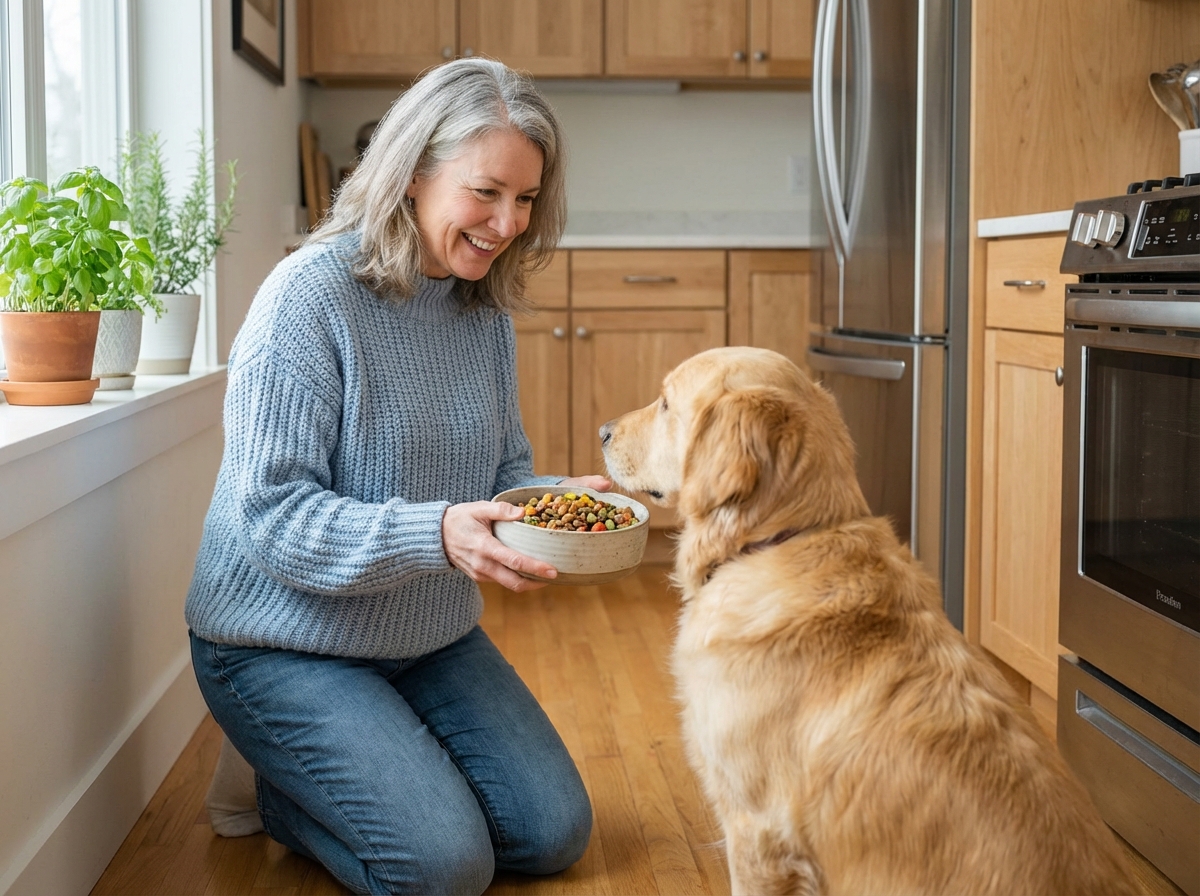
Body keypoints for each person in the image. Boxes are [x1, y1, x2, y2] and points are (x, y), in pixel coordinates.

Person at [185, 58, 605, 895]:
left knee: (552, 834)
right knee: (445, 870)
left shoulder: (479, 311)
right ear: (414, 173)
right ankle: (281, 793)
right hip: (280, 644)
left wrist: (561, 505)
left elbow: (502, 472)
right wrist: (438, 532)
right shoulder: (307, 301)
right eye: (486, 192)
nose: (508, 223)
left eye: (525, 200)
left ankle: (370, 761)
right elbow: (273, 517)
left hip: (423, 633)